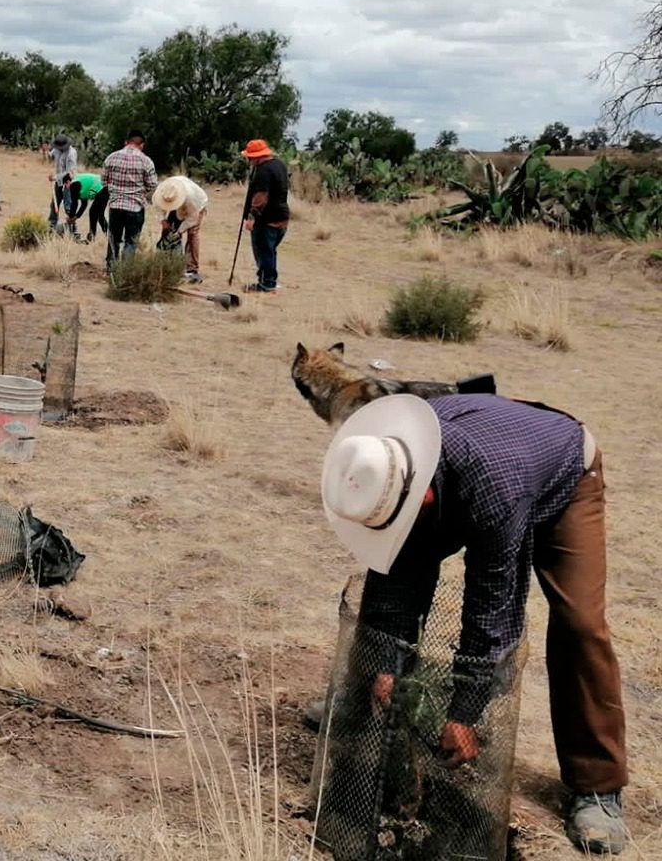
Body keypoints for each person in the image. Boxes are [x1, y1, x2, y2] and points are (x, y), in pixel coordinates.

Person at [320, 393, 629, 856]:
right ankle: (360, 717)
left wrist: (464, 713)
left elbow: (493, 608)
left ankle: (598, 787)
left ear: (422, 494)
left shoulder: (492, 486)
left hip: (564, 473)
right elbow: (392, 581)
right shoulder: (388, 462)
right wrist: (385, 666)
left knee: (580, 623)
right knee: (394, 576)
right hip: (484, 466)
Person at [101, 129, 157, 271]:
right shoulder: (146, 161)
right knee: (130, 242)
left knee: (114, 240)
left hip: (115, 205)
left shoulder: (111, 158)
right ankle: (125, 272)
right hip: (135, 207)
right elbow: (152, 185)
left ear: (126, 142)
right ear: (141, 144)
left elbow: (104, 181)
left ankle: (111, 269)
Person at [240, 138, 289, 293]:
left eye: (250, 157)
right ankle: (269, 281)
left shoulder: (263, 171)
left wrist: (252, 217)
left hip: (266, 219)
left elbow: (260, 198)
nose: (248, 160)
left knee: (263, 251)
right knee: (270, 251)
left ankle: (266, 284)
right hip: (282, 216)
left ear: (257, 157)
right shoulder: (279, 165)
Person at [152, 175, 208, 283]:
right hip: (180, 203)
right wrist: (163, 221)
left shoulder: (191, 198)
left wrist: (179, 232)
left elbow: (192, 219)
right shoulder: (161, 193)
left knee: (193, 233)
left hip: (197, 205)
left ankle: (192, 268)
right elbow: (158, 208)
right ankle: (164, 262)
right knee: (167, 231)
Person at [61, 171, 109, 242]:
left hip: (101, 188)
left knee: (93, 212)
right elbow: (84, 205)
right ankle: (108, 234)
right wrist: (76, 216)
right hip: (104, 187)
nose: (66, 188)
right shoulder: (79, 184)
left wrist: (70, 217)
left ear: (67, 182)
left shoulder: (73, 185)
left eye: (65, 185)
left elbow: (74, 204)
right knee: (99, 215)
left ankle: (92, 236)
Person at [47, 134, 78, 232]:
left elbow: (70, 172)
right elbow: (51, 155)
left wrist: (55, 177)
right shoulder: (56, 150)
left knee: (68, 207)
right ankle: (51, 226)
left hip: (68, 182)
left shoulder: (71, 153)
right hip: (58, 182)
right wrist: (47, 151)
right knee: (54, 204)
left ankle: (73, 229)